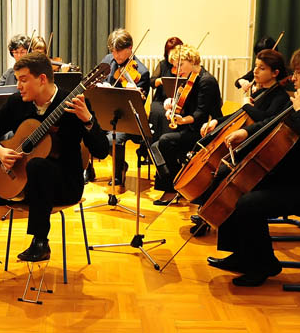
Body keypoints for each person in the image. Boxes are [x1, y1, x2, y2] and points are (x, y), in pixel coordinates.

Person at [0, 52, 110, 283]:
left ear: (42, 79)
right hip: (21, 182)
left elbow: (102, 151)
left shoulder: (74, 105)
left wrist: (88, 120)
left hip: (62, 185)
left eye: (23, 79)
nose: (18, 84)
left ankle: (40, 241)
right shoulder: (18, 103)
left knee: (39, 166)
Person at [207, 45, 300, 287]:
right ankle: (242, 255)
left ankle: (264, 264)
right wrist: (245, 131)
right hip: (292, 175)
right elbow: (272, 122)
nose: (292, 77)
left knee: (248, 202)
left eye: (298, 72)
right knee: (233, 183)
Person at [187, 49, 291, 227]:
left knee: (223, 170)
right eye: (255, 67)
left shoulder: (280, 97)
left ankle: (212, 211)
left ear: (275, 73)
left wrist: (247, 107)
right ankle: (207, 208)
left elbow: (267, 121)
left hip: (258, 148)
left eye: (262, 68)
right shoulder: (260, 92)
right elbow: (238, 114)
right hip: (246, 142)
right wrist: (215, 122)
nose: (255, 71)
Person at [151, 44, 223, 205]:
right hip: (193, 127)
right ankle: (177, 184)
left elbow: (200, 114)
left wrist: (181, 120)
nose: (177, 69)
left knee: (164, 142)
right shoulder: (190, 79)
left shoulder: (206, 81)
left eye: (180, 64)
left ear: (192, 61)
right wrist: (172, 107)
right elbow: (185, 106)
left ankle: (173, 188)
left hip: (206, 130)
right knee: (155, 145)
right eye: (175, 66)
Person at [85, 28, 152, 186]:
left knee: (113, 139)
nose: (116, 56)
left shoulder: (141, 72)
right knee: (85, 129)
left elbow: (137, 106)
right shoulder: (108, 60)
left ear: (130, 48)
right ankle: (88, 168)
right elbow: (94, 80)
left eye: (119, 52)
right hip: (104, 112)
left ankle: (119, 170)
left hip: (125, 118)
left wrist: (132, 94)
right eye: (113, 52)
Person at [149, 36, 184, 143]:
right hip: (161, 99)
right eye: (169, 52)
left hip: (178, 101)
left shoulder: (183, 66)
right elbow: (152, 82)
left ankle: (167, 142)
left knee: (169, 115)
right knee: (156, 111)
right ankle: (153, 143)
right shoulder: (163, 64)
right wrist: (161, 80)